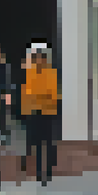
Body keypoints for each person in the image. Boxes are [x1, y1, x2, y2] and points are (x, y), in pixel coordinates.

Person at [20, 43, 61, 185]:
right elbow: (27, 94)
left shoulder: (51, 74)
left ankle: (48, 172)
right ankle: (39, 174)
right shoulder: (29, 74)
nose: (38, 61)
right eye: (35, 58)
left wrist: (38, 98)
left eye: (40, 58)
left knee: (48, 144)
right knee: (37, 146)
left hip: (47, 113)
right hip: (34, 114)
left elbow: (53, 94)